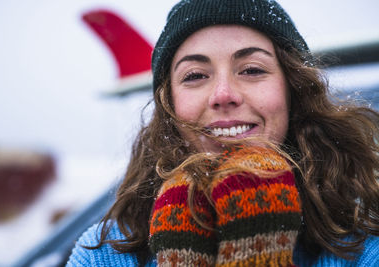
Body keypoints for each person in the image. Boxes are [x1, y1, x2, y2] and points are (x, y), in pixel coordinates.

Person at [67, 0, 379, 266]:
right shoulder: (104, 252)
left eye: (252, 70)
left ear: (293, 90)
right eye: (195, 75)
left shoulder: (367, 244)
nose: (224, 94)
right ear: (169, 104)